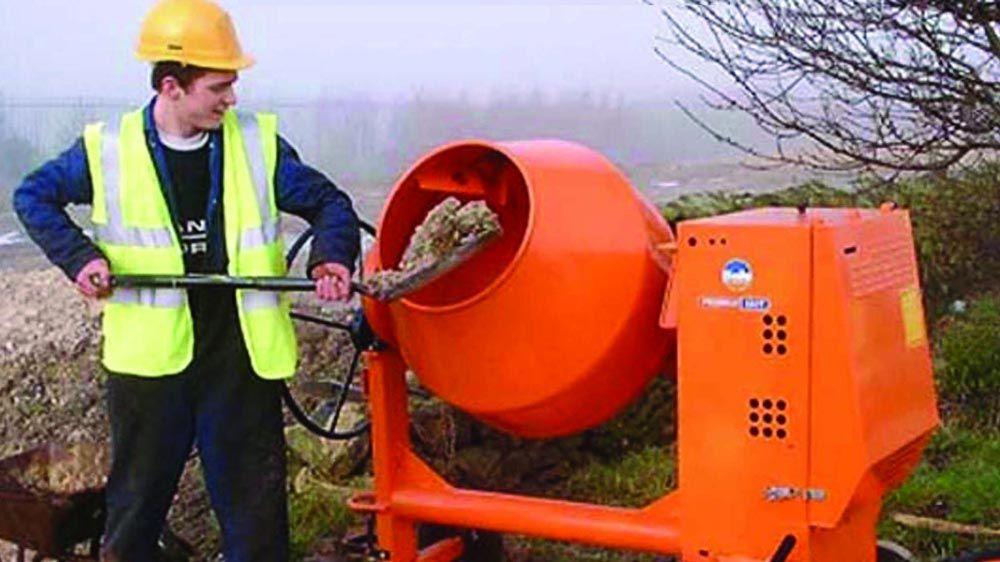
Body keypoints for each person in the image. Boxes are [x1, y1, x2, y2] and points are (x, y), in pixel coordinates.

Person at [12, 0, 361, 560]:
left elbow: (328, 203)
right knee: (133, 515)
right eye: (219, 86)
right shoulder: (108, 150)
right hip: (150, 366)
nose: (232, 98)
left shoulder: (256, 144)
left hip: (239, 360)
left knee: (256, 521)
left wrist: (332, 258)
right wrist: (80, 259)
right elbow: (32, 196)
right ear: (172, 86)